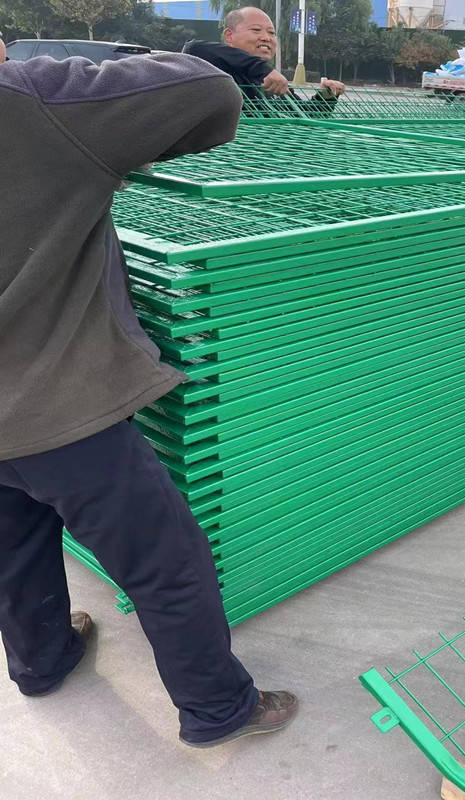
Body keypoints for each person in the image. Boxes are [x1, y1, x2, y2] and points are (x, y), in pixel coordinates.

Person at [0, 43, 297, 747]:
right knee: (166, 562)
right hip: (60, 409)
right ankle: (218, 707)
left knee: (13, 548)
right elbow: (208, 89)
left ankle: (42, 661)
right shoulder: (33, 101)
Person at [183, 6, 346, 114]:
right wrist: (262, 69)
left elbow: (301, 114)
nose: (266, 38)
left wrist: (325, 97)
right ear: (229, 35)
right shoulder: (216, 69)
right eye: (256, 30)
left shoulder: (275, 82)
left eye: (271, 33)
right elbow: (193, 48)